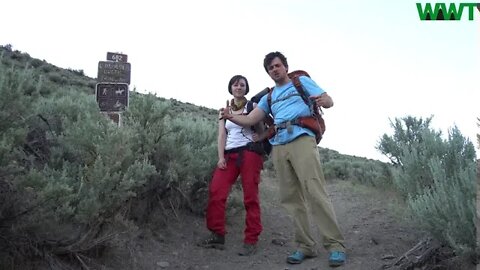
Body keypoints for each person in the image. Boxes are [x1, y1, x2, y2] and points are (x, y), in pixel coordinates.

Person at [220, 52, 346, 267]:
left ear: (285, 67)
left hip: (302, 139)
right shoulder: (268, 97)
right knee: (291, 198)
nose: (274, 70)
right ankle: (305, 246)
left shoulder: (301, 82)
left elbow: (328, 100)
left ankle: (335, 245)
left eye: (277, 65)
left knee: (314, 191)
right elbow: (251, 118)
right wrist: (230, 116)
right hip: (279, 144)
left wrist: (326, 101)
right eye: (270, 68)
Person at [198, 75, 265, 256]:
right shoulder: (223, 111)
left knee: (250, 196)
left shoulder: (253, 107)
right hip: (229, 155)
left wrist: (261, 137)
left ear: (246, 88)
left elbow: (261, 130)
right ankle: (217, 234)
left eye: (242, 85)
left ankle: (251, 239)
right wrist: (220, 157)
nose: (238, 87)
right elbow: (222, 135)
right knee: (216, 191)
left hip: (249, 153)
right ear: (231, 87)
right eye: (235, 84)